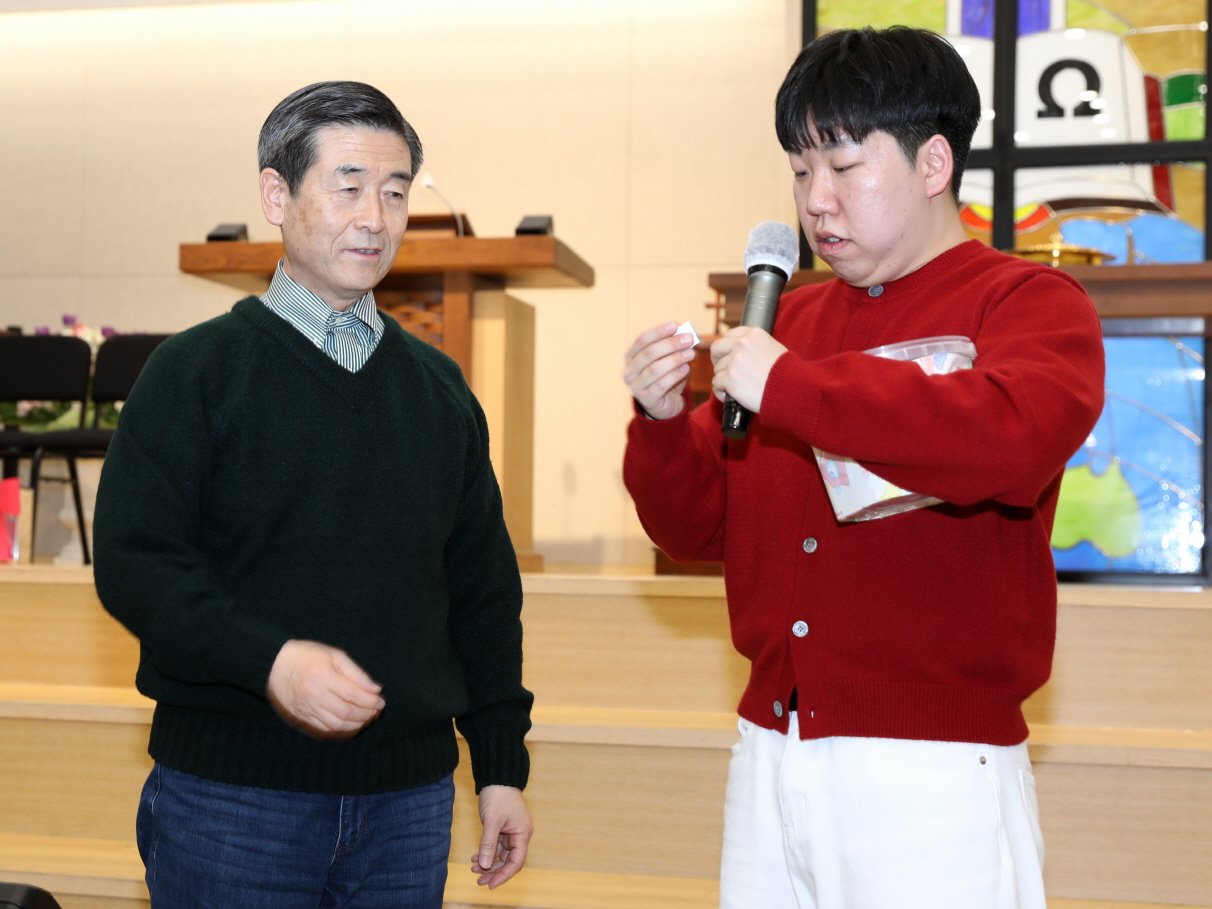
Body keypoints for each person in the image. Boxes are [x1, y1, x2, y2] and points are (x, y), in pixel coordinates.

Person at [622, 27, 1104, 909]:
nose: (817, 200)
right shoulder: (787, 327)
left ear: (932, 163)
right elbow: (693, 528)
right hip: (770, 744)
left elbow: (1007, 440)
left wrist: (790, 385)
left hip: (932, 764)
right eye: (801, 171)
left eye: (843, 166)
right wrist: (658, 426)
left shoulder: (1028, 302)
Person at [93, 81, 532, 908]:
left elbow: (482, 592)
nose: (375, 218)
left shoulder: (440, 390)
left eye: (395, 193)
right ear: (276, 195)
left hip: (409, 805)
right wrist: (269, 662)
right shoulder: (193, 373)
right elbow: (134, 565)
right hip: (233, 798)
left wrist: (500, 766)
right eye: (349, 186)